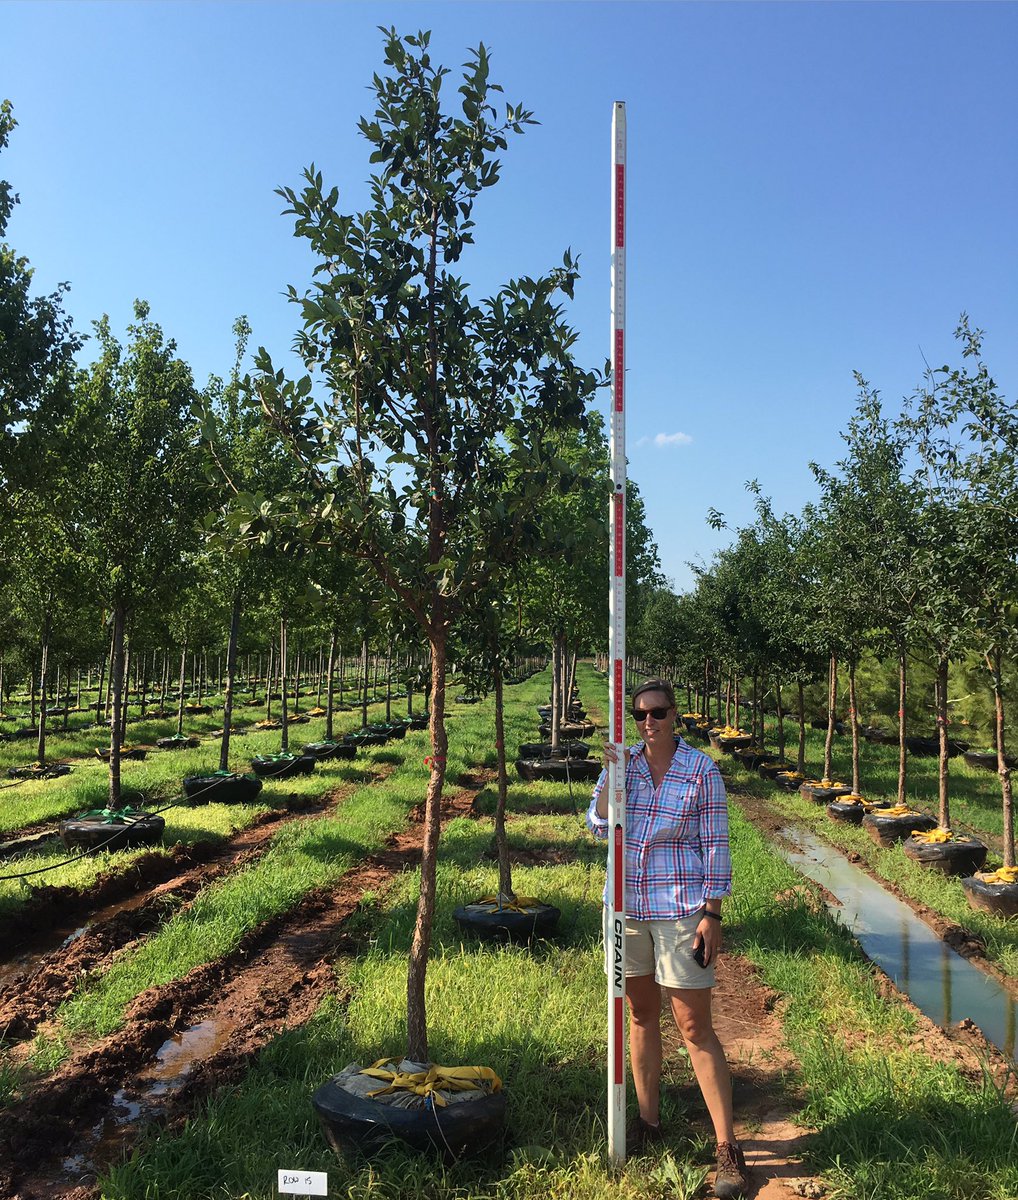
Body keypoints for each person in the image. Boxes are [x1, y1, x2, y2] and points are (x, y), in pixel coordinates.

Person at [587, 677, 748, 1200]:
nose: (648, 723)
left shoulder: (701, 769)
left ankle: (727, 1148)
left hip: (681, 909)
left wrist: (712, 913)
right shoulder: (623, 763)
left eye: (657, 713)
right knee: (639, 1014)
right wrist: (611, 778)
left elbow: (716, 843)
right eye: (640, 715)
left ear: (676, 715)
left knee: (694, 1024)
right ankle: (649, 1123)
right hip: (626, 909)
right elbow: (597, 824)